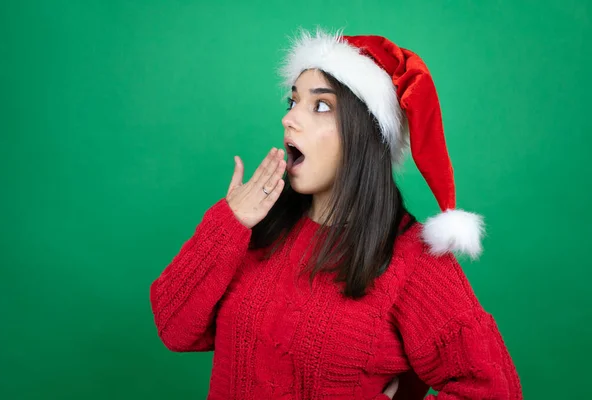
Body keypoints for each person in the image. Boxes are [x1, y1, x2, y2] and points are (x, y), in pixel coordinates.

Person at [150, 29, 523, 399]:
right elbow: (175, 330)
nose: (289, 119)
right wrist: (226, 226)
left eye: (321, 105)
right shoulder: (260, 225)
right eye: (291, 101)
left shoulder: (414, 262)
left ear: (366, 136)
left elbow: (494, 391)